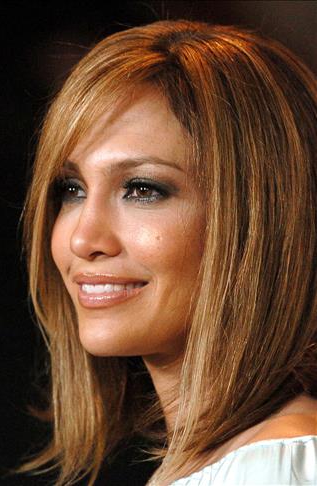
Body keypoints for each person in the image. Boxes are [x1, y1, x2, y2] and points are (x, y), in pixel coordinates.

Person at [19, 20, 317, 485]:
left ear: (259, 219)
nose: (82, 239)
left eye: (142, 189)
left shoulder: (275, 468)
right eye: (72, 189)